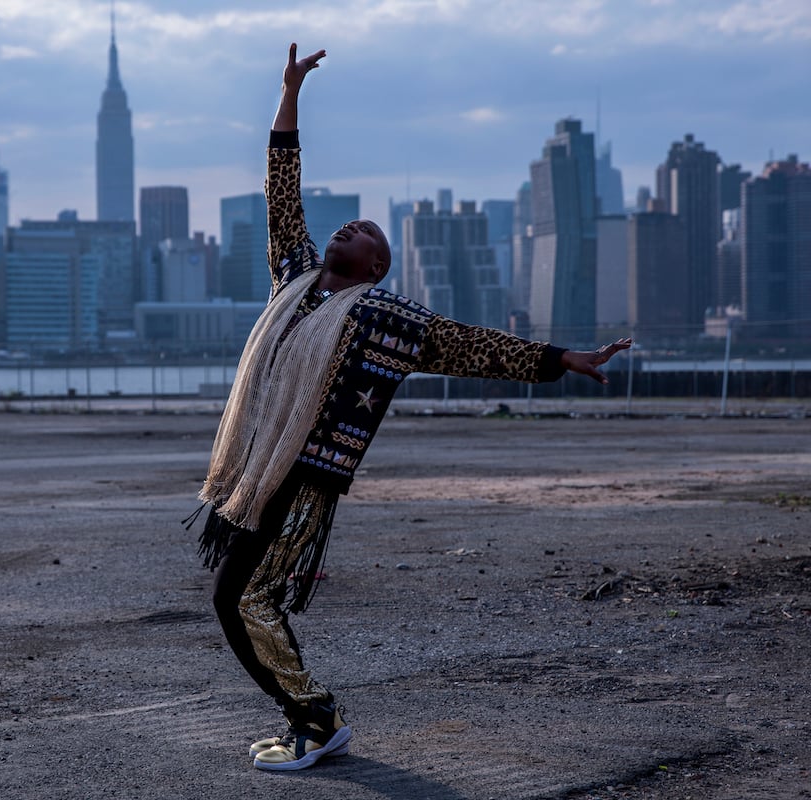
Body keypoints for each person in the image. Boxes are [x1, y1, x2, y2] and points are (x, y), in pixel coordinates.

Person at [191, 43, 632, 773]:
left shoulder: (387, 320)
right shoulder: (294, 278)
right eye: (347, 225)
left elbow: (474, 347)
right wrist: (290, 94)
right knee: (236, 600)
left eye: (365, 233)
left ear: (377, 266)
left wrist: (565, 359)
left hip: (305, 481)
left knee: (245, 601)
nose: (348, 229)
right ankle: (309, 720)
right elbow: (281, 190)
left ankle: (318, 721)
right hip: (257, 469)